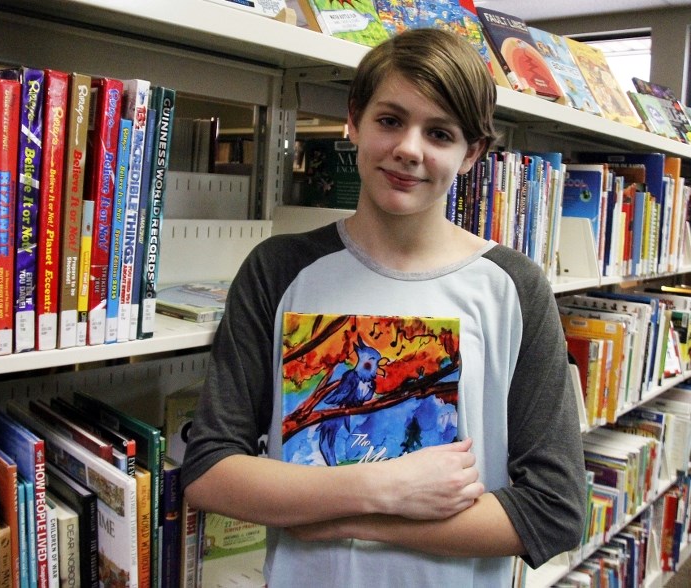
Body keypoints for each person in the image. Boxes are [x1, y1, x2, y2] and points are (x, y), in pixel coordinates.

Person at [181, 27, 586, 587]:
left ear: (472, 153)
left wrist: (363, 522)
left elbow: (554, 509)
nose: (408, 149)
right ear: (354, 121)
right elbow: (207, 471)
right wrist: (384, 489)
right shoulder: (277, 269)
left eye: (439, 133)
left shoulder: (514, 288)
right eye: (390, 120)